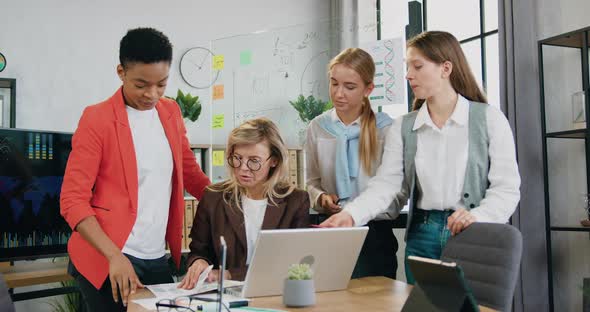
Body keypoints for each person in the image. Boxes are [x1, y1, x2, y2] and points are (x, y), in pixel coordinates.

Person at [320, 31, 521, 284]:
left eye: (417, 66)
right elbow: (386, 186)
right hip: (422, 235)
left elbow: (507, 189)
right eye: (407, 67)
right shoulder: (404, 126)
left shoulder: (489, 119)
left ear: (445, 68)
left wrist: (478, 217)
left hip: (474, 232)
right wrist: (351, 215)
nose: (408, 75)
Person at [60, 27, 210, 311]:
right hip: (107, 256)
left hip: (155, 256)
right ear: (121, 72)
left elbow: (190, 173)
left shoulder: (171, 112)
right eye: (141, 85)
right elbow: (72, 200)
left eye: (162, 84)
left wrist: (231, 199)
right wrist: (113, 256)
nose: (152, 94)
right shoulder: (97, 119)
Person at [178, 118, 310, 288]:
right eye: (237, 158)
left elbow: (294, 262)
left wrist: (230, 274)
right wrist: (199, 262)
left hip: (276, 291)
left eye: (254, 161)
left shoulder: (296, 201)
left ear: (274, 160)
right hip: (224, 294)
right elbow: (199, 251)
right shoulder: (213, 197)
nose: (242, 168)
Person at [305, 48, 399, 279]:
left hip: (374, 235)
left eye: (349, 87)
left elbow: (395, 192)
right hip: (330, 231)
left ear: (368, 89)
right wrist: (320, 198)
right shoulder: (317, 127)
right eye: (334, 83)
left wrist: (357, 212)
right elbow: (311, 181)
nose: (339, 94)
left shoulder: (387, 129)